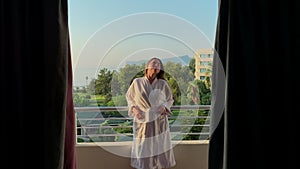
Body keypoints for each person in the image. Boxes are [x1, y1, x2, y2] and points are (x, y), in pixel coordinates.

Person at [126, 57, 176, 169]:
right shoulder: (137, 82)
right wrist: (134, 109)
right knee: (143, 148)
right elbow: (129, 98)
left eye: (158, 64)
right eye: (154, 63)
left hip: (158, 120)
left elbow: (170, 100)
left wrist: (164, 107)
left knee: (160, 148)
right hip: (143, 119)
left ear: (160, 70)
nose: (156, 65)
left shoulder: (163, 84)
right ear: (146, 67)